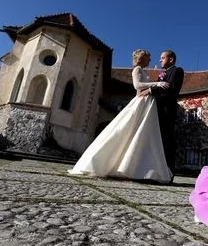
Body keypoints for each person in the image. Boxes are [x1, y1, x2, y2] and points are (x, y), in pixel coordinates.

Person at [68, 49, 173, 184]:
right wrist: (156, 83)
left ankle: (135, 167)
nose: (151, 60)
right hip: (140, 103)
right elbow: (137, 85)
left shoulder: (144, 71)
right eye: (149, 57)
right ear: (142, 58)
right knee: (126, 130)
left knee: (142, 134)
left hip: (147, 103)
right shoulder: (137, 70)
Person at [138, 50, 184, 181]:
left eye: (162, 58)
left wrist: (150, 90)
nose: (160, 60)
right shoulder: (162, 74)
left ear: (171, 59)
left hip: (167, 111)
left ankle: (168, 174)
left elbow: (171, 88)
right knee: (156, 141)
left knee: (166, 141)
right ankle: (154, 172)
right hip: (156, 111)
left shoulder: (177, 71)